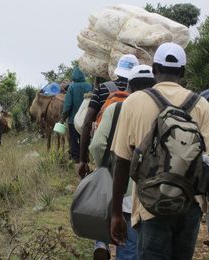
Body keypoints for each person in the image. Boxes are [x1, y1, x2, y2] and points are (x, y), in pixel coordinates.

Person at [111, 42, 209, 260]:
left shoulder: (134, 102)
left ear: (154, 69)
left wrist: (117, 212)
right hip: (190, 205)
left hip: (150, 205)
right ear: (183, 71)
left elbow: (121, 161)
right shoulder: (202, 105)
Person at [89, 65, 155, 260]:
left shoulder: (116, 108)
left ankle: (101, 243)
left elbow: (98, 145)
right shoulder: (165, 108)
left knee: (128, 245)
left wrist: (108, 167)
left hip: (126, 192)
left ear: (129, 86)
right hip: (159, 193)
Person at [78, 54, 139, 178]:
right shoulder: (139, 92)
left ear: (117, 70)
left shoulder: (102, 88)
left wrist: (82, 159)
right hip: (131, 149)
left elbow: (87, 122)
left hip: (104, 149)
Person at [60, 68, 92, 162]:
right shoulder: (89, 86)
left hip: (73, 120)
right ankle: (85, 157)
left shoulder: (72, 87)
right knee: (85, 139)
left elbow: (68, 105)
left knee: (74, 141)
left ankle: (76, 158)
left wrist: (63, 117)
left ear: (73, 76)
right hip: (87, 119)